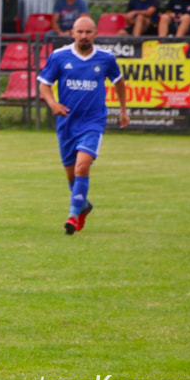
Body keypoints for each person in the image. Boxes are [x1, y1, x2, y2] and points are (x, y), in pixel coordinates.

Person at [37, 15, 129, 235]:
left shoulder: (105, 58)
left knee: (82, 167)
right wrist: (52, 104)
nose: (84, 36)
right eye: (80, 32)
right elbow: (44, 85)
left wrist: (124, 110)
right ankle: (83, 205)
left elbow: (119, 82)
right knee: (71, 173)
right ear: (73, 33)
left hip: (92, 121)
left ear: (95, 34)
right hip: (67, 122)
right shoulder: (59, 56)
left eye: (88, 32)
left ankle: (72, 216)